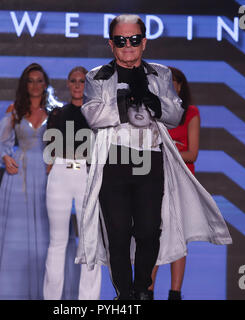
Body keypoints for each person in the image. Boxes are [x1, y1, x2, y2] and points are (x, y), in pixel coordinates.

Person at [75, 14, 232, 300]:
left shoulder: (159, 74)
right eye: (121, 40)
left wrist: (155, 103)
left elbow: (175, 114)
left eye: (134, 39)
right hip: (114, 159)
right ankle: (126, 294)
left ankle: (142, 289)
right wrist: (124, 103)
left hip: (149, 158)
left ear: (144, 42)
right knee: (118, 234)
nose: (128, 45)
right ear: (111, 44)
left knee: (149, 230)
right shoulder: (97, 76)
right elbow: (92, 116)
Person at [0, 63, 79, 300]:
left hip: (48, 178)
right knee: (15, 237)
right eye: (30, 80)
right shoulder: (14, 111)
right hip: (18, 180)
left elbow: (67, 146)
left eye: (39, 80)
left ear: (46, 84)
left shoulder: (56, 112)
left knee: (51, 235)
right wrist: (5, 157)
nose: (35, 85)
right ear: (25, 84)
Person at [43, 67, 102, 300]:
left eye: (82, 81)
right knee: (57, 242)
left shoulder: (97, 115)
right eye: (73, 80)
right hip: (60, 173)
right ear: (67, 84)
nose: (77, 85)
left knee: (89, 244)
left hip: (87, 175)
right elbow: (50, 151)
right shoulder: (57, 114)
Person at [149, 67, 199, 300]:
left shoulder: (191, 113)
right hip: (155, 177)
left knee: (179, 237)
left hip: (182, 181)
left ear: (180, 85)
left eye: (172, 81)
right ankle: (146, 291)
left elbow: (192, 153)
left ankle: (174, 293)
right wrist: (172, 148)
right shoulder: (152, 112)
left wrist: (168, 150)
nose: (168, 85)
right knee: (152, 234)